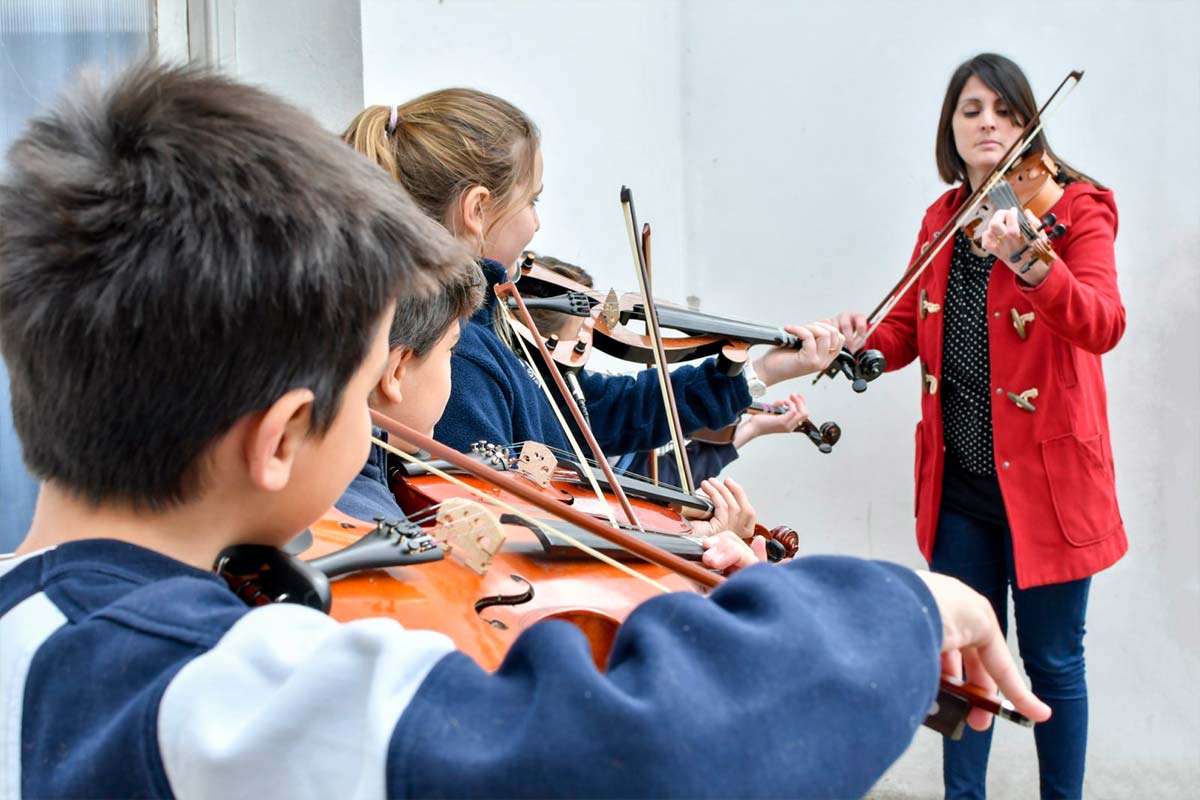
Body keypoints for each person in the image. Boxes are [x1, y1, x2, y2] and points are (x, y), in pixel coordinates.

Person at [0, 61, 1050, 799]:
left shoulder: (41, 636)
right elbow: (629, 757)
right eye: (377, 379)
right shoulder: (206, 697)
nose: (394, 413)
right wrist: (902, 603)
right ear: (280, 437)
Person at [833, 53, 1123, 799]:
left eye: (1004, 109)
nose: (988, 121)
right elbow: (905, 329)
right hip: (961, 482)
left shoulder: (1078, 209)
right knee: (963, 659)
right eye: (971, 110)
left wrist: (1032, 258)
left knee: (1055, 660)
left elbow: (1103, 324)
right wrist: (863, 345)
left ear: (1028, 123)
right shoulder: (942, 218)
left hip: (1049, 486)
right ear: (951, 129)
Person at [341, 92, 845, 459]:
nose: (537, 223)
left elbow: (594, 412)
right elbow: (498, 513)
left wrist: (760, 371)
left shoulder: (490, 324)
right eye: (532, 200)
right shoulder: (459, 351)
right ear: (477, 209)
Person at [333, 253, 764, 572]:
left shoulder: (365, 484)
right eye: (449, 351)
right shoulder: (369, 521)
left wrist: (687, 542)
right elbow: (512, 561)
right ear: (396, 370)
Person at [522, 252, 810, 488]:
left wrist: (753, 422)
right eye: (580, 334)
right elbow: (665, 479)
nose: (590, 340)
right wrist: (752, 414)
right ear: (546, 341)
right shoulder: (565, 401)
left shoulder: (565, 390)